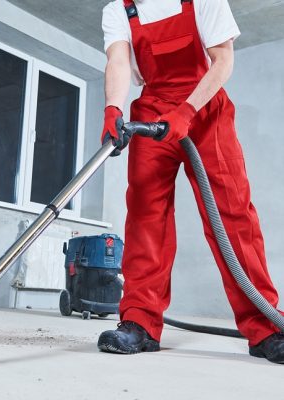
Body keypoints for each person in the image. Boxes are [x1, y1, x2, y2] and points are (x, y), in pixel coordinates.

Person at [97, 0, 284, 363]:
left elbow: (223, 60)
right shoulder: (119, 9)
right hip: (151, 111)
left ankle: (265, 327)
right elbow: (118, 61)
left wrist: (187, 111)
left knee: (233, 217)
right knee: (145, 216)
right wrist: (113, 109)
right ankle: (139, 321)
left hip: (206, 111)